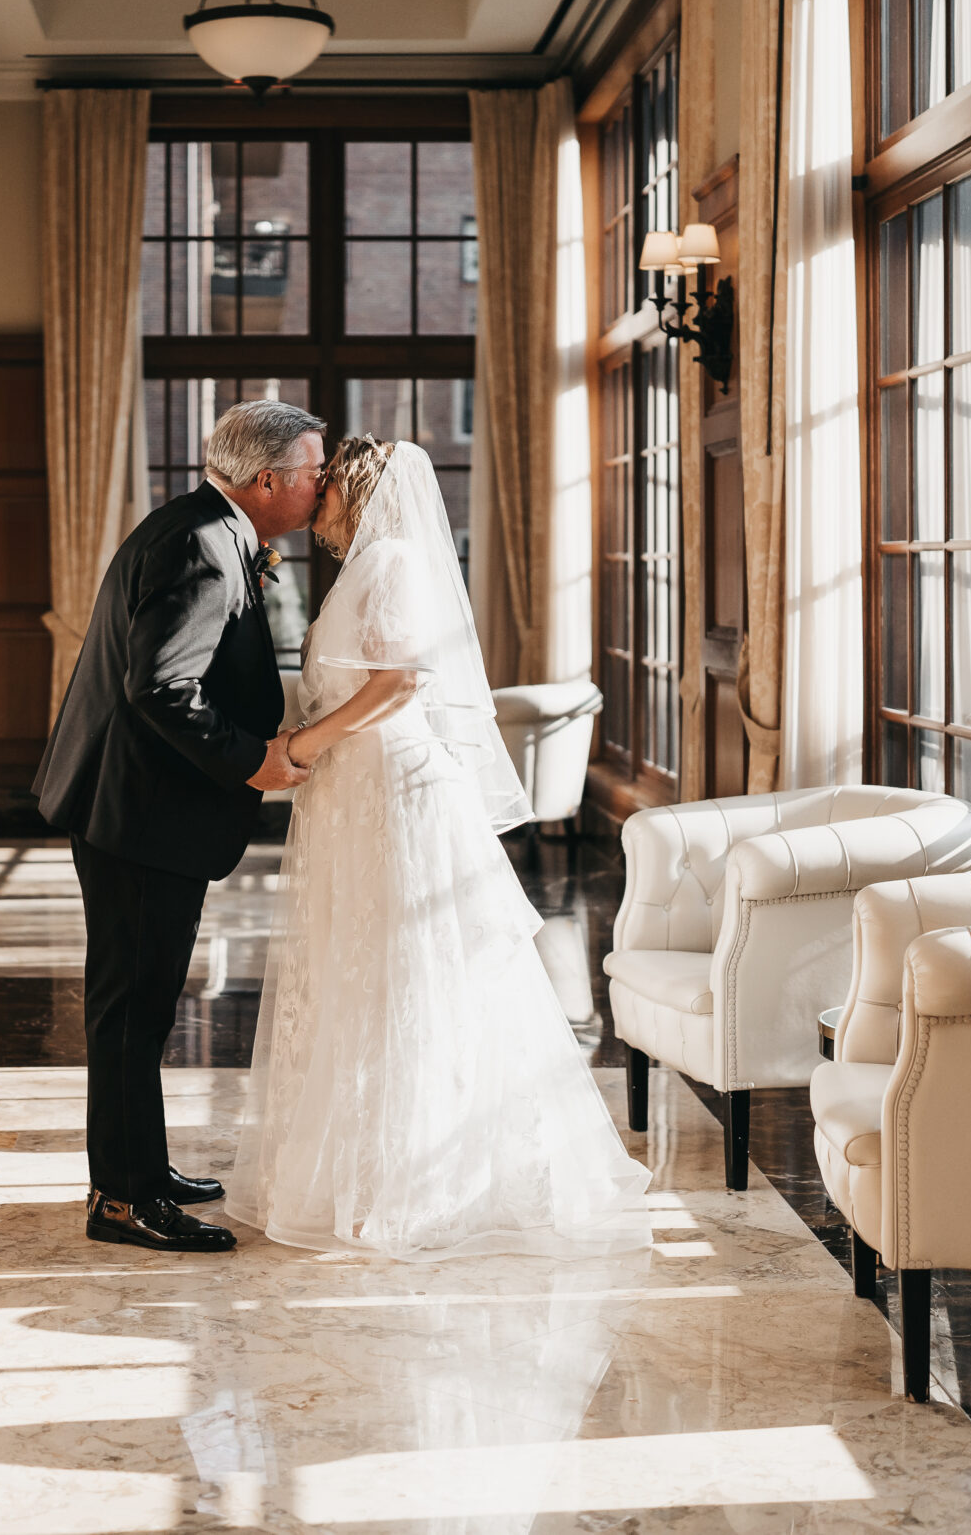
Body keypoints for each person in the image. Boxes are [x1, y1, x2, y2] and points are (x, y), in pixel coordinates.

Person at [226, 436, 653, 1261]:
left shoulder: (391, 561)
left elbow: (400, 682)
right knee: (362, 971)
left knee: (398, 973)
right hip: (355, 792)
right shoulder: (366, 565)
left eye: (326, 486)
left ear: (356, 490)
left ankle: (412, 1178)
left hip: (391, 789)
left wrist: (305, 744)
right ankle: (361, 1167)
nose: (315, 502)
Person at [34, 399, 326, 1253]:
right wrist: (250, 761)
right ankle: (124, 1200)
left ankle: (141, 1170)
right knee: (131, 1009)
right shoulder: (201, 544)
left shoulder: (207, 529)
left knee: (144, 1005)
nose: (320, 486)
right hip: (138, 815)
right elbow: (162, 687)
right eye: (312, 473)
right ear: (267, 479)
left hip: (141, 808)